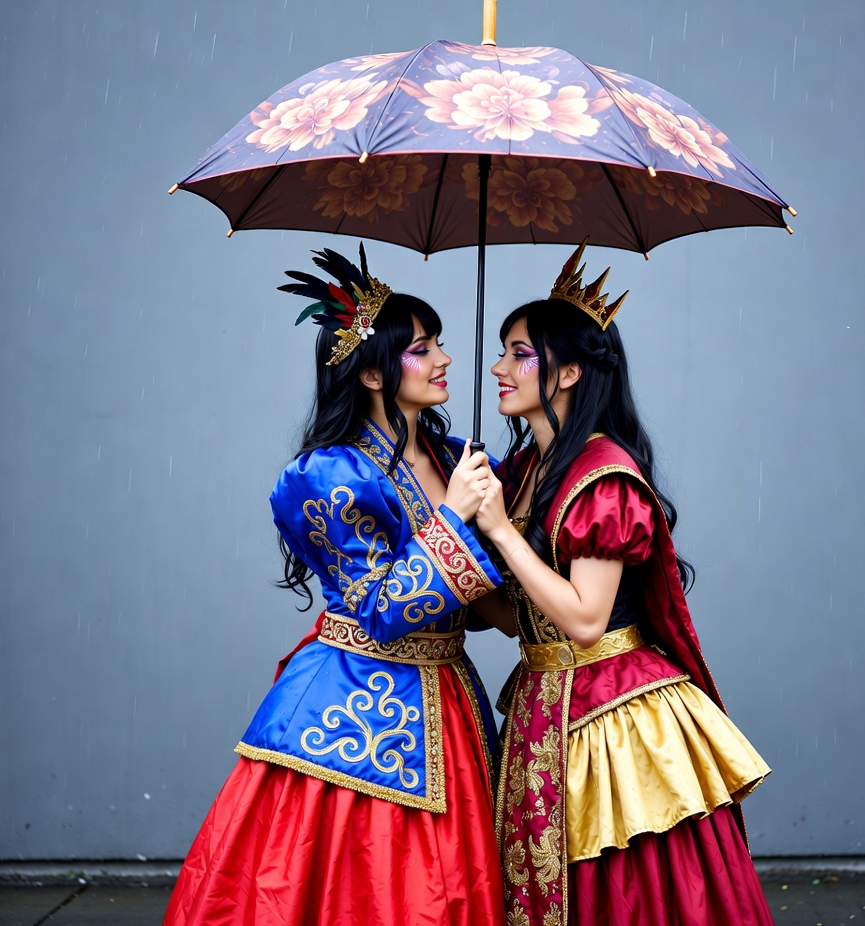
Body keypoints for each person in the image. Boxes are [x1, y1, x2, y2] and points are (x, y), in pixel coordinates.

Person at [164, 245, 507, 926]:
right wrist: (455, 516)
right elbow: (383, 611)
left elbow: (475, 606)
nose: (442, 358)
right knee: (366, 889)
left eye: (439, 342)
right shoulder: (328, 477)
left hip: (452, 696)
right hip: (356, 702)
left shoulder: (453, 457)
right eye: (420, 348)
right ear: (374, 373)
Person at [471, 241, 775, 926]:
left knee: (627, 894)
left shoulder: (600, 475)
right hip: (544, 706)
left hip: (611, 720)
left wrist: (498, 530)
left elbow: (584, 619)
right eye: (503, 350)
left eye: (520, 353)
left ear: (570, 371)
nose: (498, 368)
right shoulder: (525, 473)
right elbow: (526, 620)